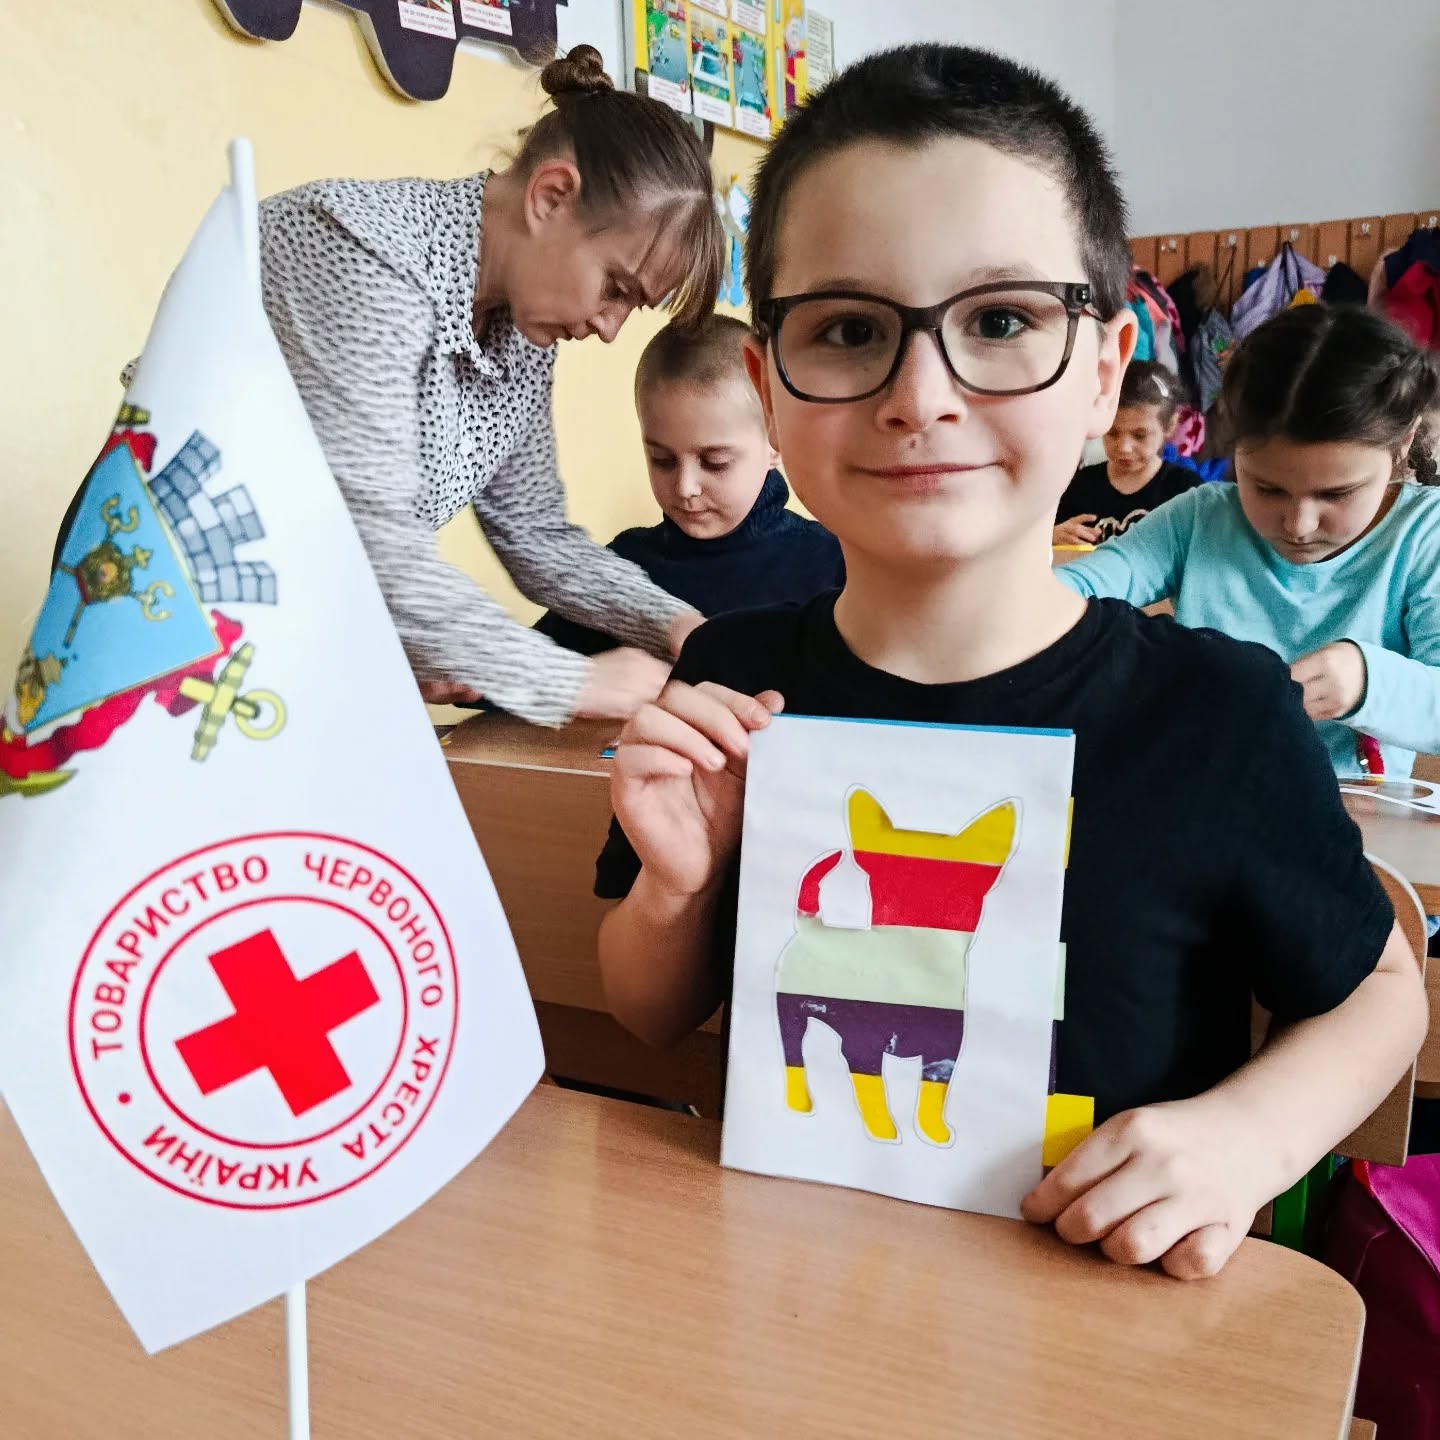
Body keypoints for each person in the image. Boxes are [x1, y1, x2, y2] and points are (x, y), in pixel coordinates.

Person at [592, 44, 1424, 1279]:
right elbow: (651, 1016)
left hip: (1096, 1309)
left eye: (999, 321)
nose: (921, 395)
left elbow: (1383, 988)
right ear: (768, 388)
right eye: (849, 329)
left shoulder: (1216, 711)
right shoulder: (730, 674)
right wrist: (675, 889)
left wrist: (1251, 1136)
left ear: (1103, 373)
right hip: (784, 1292)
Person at [258, 45, 724, 726]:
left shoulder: (521, 336)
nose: (610, 328)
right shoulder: (361, 252)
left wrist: (682, 628)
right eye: (616, 288)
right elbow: (370, 540)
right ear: (551, 196)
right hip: (168, 610)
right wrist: (569, 681)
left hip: (296, 638)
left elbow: (534, 534)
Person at [1058, 306, 1440, 778]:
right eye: (1267, 489)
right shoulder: (1199, 518)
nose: (1298, 525)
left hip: (1353, 810)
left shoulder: (1424, 534)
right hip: (1203, 794)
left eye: (1337, 494)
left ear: (1402, 443)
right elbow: (1074, 591)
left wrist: (1367, 683)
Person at [534, 315, 844, 655]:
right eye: (662, 460)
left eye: (715, 462)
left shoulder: (833, 566)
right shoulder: (623, 566)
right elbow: (525, 668)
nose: (685, 487)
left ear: (775, 441)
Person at [1052, 361, 1200, 545]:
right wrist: (1052, 538)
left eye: (1140, 435)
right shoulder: (1079, 485)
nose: (1124, 447)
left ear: (1170, 425)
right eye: (1112, 432)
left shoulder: (1186, 491)